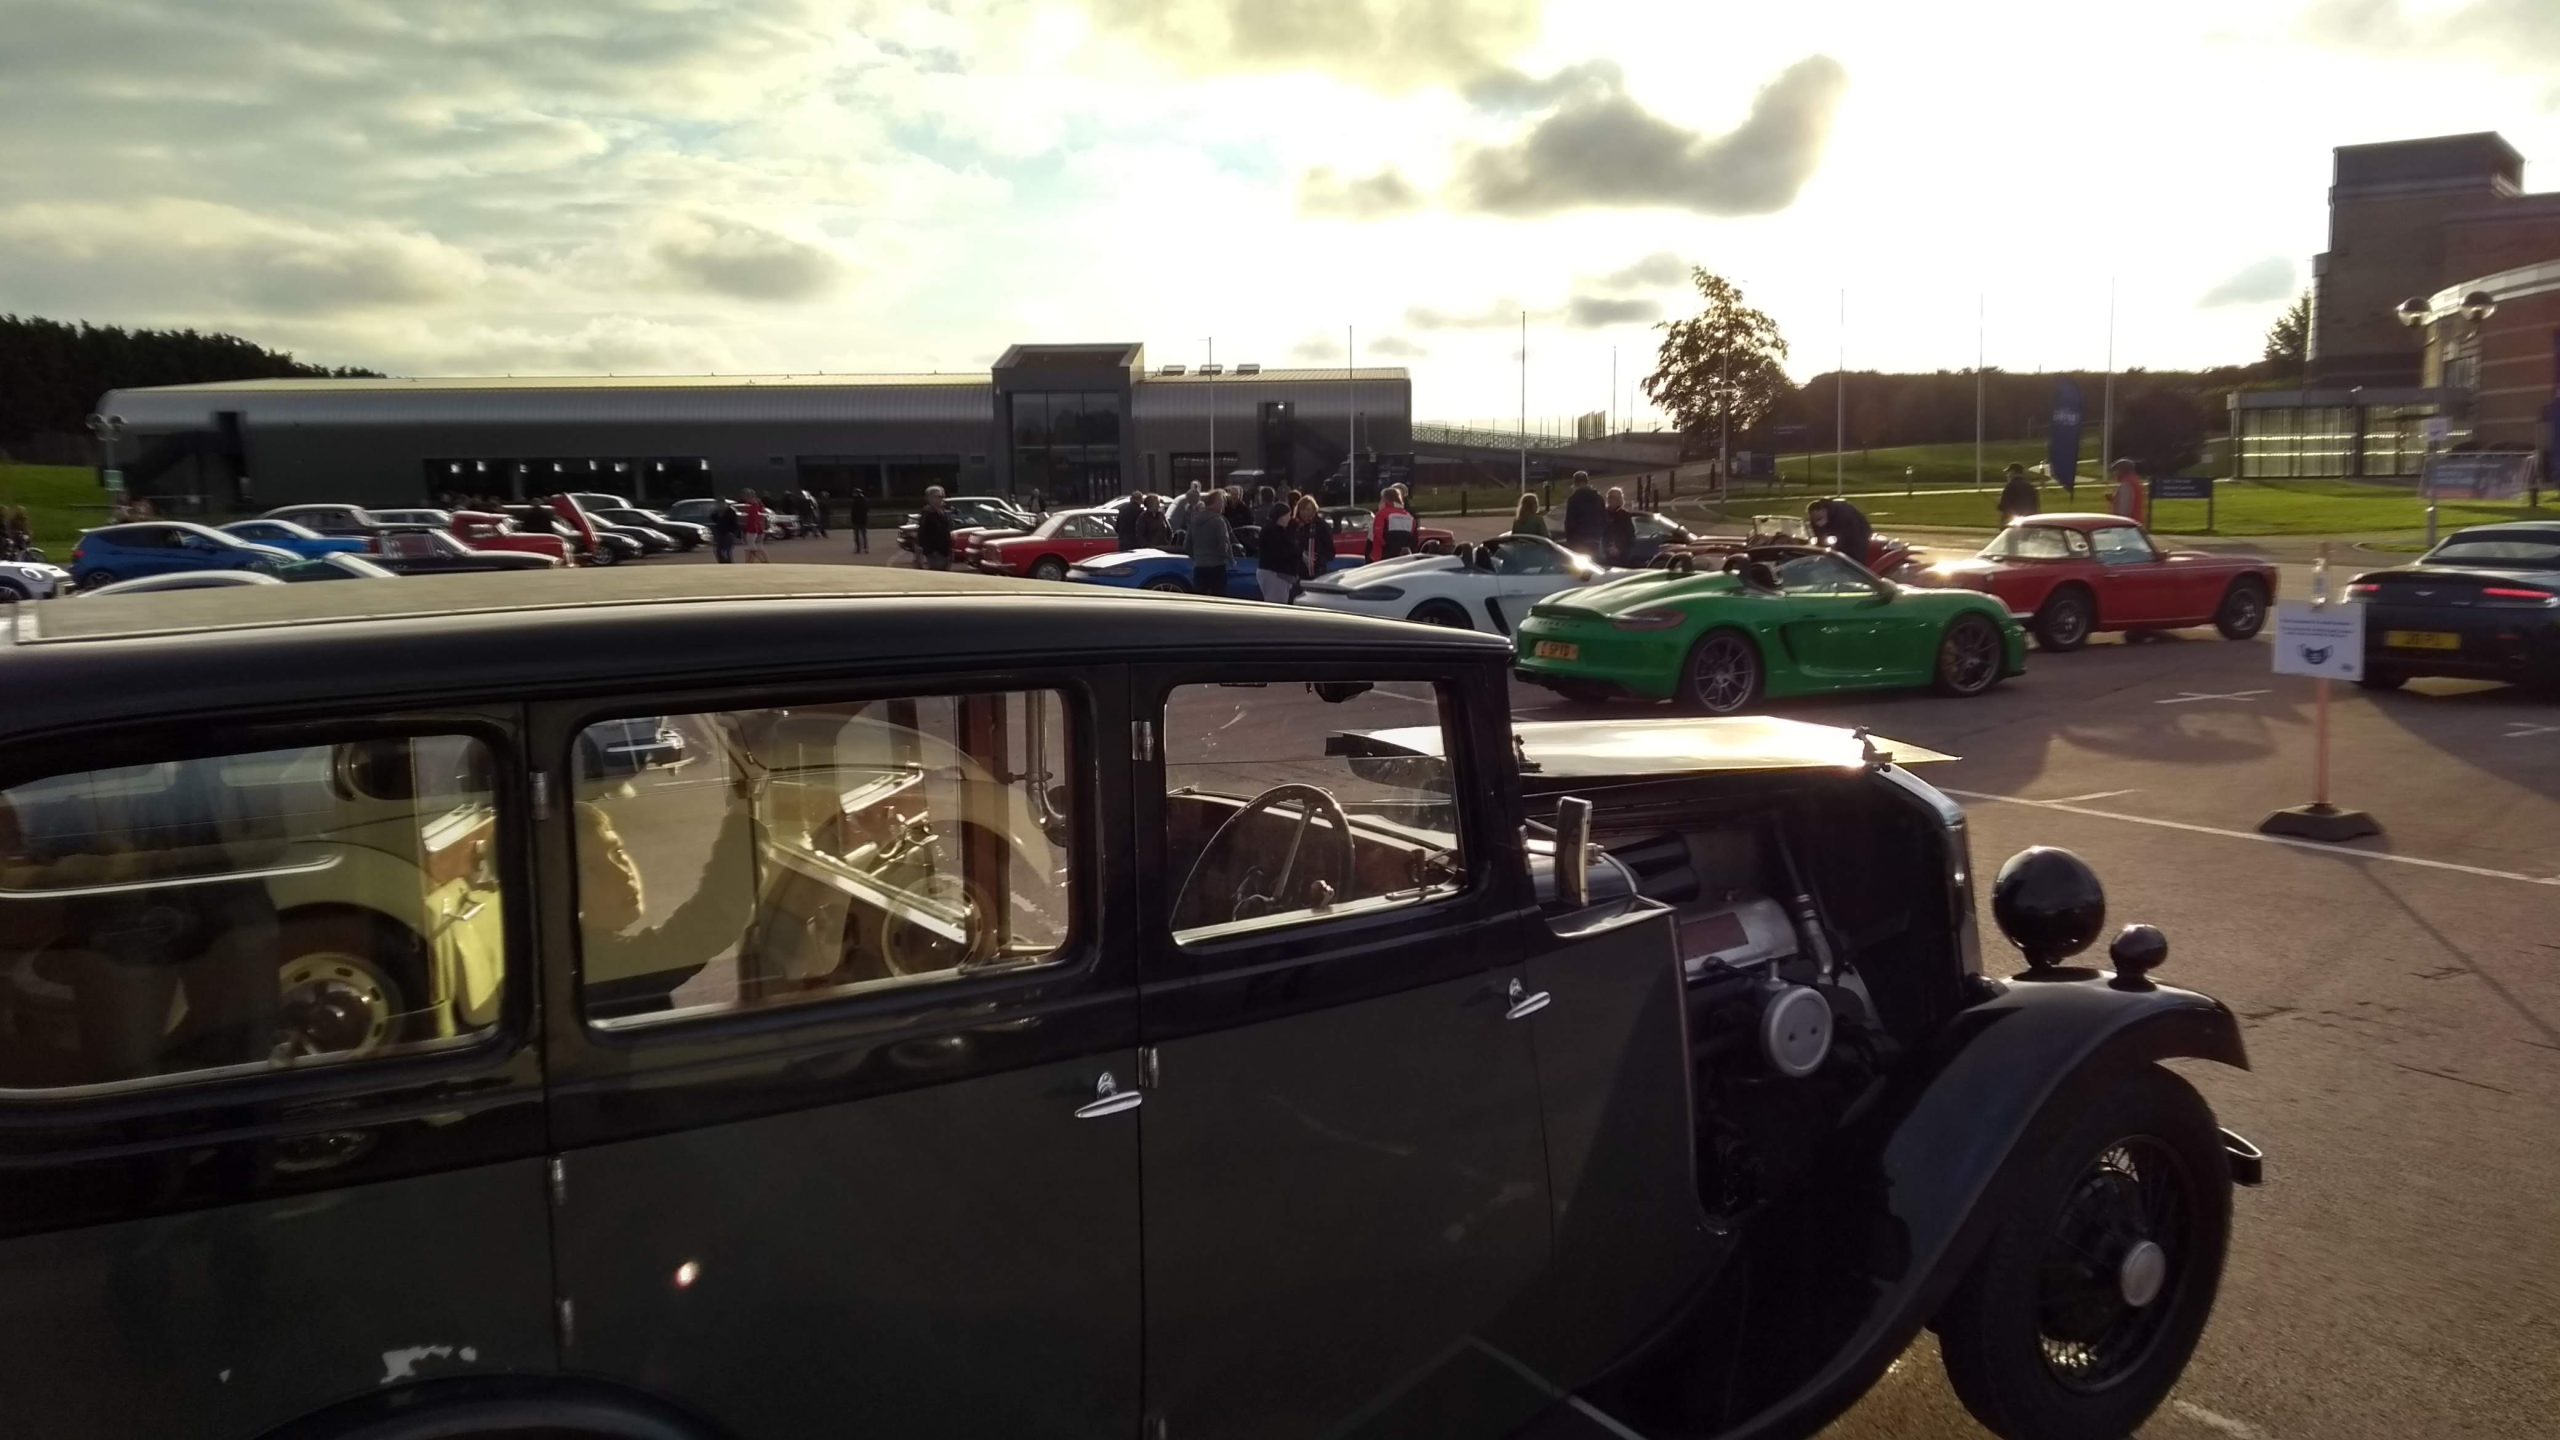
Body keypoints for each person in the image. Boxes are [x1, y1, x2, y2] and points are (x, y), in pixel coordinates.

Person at [1187, 491, 1236, 596]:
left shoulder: (1194, 521)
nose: (1224, 505)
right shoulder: (1218, 521)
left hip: (1199, 565)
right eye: (1222, 502)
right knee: (1218, 601)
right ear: (1217, 503)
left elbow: (1187, 544)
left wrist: (1197, 556)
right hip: (1216, 567)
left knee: (1200, 600)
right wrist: (1228, 559)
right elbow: (1224, 543)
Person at [1807, 497, 1873, 569]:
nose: (1818, 523)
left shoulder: (1843, 515)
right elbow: (1820, 537)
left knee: (1855, 558)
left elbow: (1850, 535)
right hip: (1840, 531)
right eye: (1815, 520)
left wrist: (1839, 548)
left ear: (1824, 510)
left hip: (1858, 532)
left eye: (1819, 518)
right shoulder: (1815, 519)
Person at [1256, 500, 1302, 603]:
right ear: (1281, 516)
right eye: (1288, 515)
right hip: (1275, 573)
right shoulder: (1273, 532)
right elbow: (1280, 553)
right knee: (1276, 604)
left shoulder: (1275, 530)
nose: (1289, 519)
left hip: (1276, 573)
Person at [1562, 470, 1603, 556]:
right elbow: (1604, 517)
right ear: (1587, 481)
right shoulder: (1598, 497)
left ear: (1575, 483)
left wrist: (1570, 539)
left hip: (1579, 540)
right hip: (1595, 538)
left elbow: (1570, 521)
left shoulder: (1573, 499)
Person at [915, 485, 956, 571]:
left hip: (946, 551)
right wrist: (927, 551)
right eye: (938, 496)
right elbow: (921, 534)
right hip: (935, 552)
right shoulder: (928, 513)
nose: (941, 499)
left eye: (942, 496)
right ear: (929, 498)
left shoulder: (944, 512)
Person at [1372, 484, 1418, 559]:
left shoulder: (1382, 514)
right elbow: (1414, 538)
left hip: (1384, 556)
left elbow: (1377, 535)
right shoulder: (1409, 516)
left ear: (1385, 499)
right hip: (1404, 556)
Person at [1298, 494, 1334, 577]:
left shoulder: (1322, 526)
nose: (1305, 513)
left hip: (1318, 571)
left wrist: (1317, 560)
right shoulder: (1299, 527)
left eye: (1308, 509)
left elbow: (1330, 551)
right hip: (1301, 572)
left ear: (1314, 510)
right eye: (1302, 510)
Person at [1602, 487, 1637, 565]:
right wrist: (1606, 549)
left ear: (1619, 499)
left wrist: (1620, 549)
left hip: (1621, 557)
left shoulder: (1625, 516)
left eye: (1613, 497)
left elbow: (1630, 536)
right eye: (1609, 497)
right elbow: (1600, 533)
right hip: (1605, 555)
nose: (1610, 500)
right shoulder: (1603, 514)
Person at [2109, 459, 2148, 526]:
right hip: (2135, 522)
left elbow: (2124, 508)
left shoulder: (2126, 484)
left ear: (2122, 471)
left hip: (2127, 525)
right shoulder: (2135, 481)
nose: (2115, 473)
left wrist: (2119, 524)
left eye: (2116, 470)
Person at [740, 488, 771, 563]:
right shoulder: (757, 503)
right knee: (758, 546)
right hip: (758, 526)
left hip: (753, 527)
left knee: (751, 545)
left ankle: (759, 560)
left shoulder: (753, 504)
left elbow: (753, 517)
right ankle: (758, 560)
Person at [707, 497, 740, 563]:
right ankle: (721, 563)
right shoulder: (717, 512)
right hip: (720, 533)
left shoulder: (730, 511)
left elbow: (735, 523)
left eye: (720, 503)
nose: (719, 505)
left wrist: (733, 533)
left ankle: (729, 563)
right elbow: (714, 519)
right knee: (718, 551)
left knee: (727, 551)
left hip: (728, 533)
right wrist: (714, 513)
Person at [847, 487, 870, 553]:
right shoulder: (864, 500)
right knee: (863, 535)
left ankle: (859, 548)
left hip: (858, 520)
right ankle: (864, 548)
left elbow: (853, 511)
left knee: (858, 535)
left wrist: (852, 519)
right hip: (862, 520)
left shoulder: (856, 501)